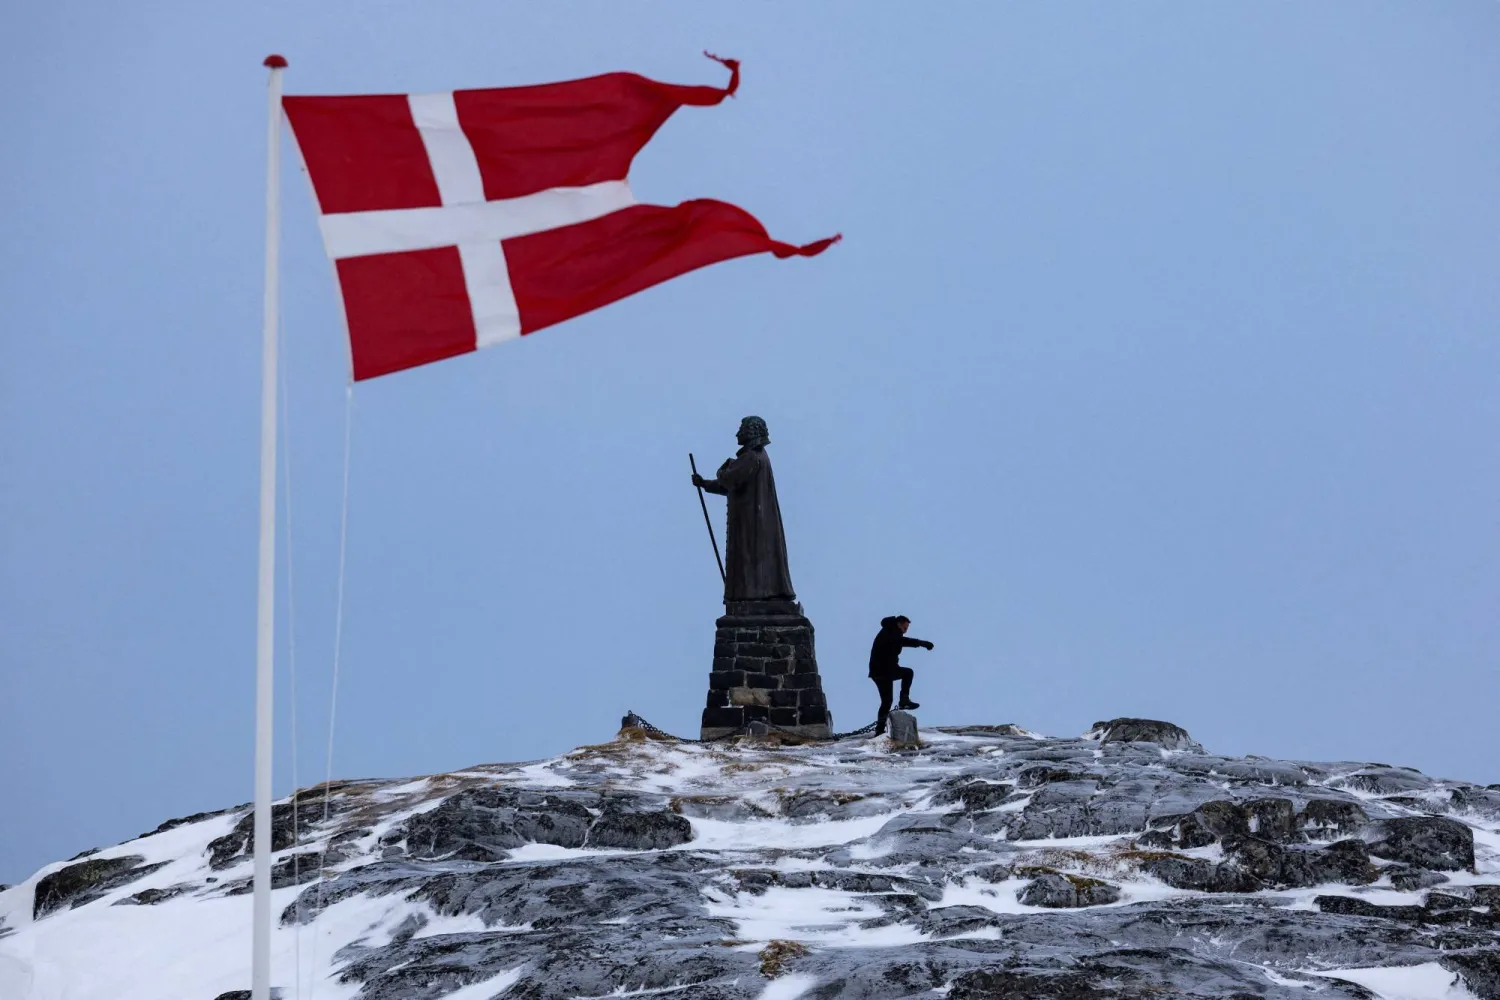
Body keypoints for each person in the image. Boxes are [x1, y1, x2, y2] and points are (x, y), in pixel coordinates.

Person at [868, 615, 933, 732]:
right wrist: (921, 643)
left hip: (882, 671)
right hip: (883, 671)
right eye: (905, 626)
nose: (906, 629)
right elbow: (902, 641)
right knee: (907, 674)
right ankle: (904, 701)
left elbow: (899, 642)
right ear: (899, 623)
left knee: (887, 701)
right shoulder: (890, 631)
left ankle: (880, 729)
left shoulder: (892, 632)